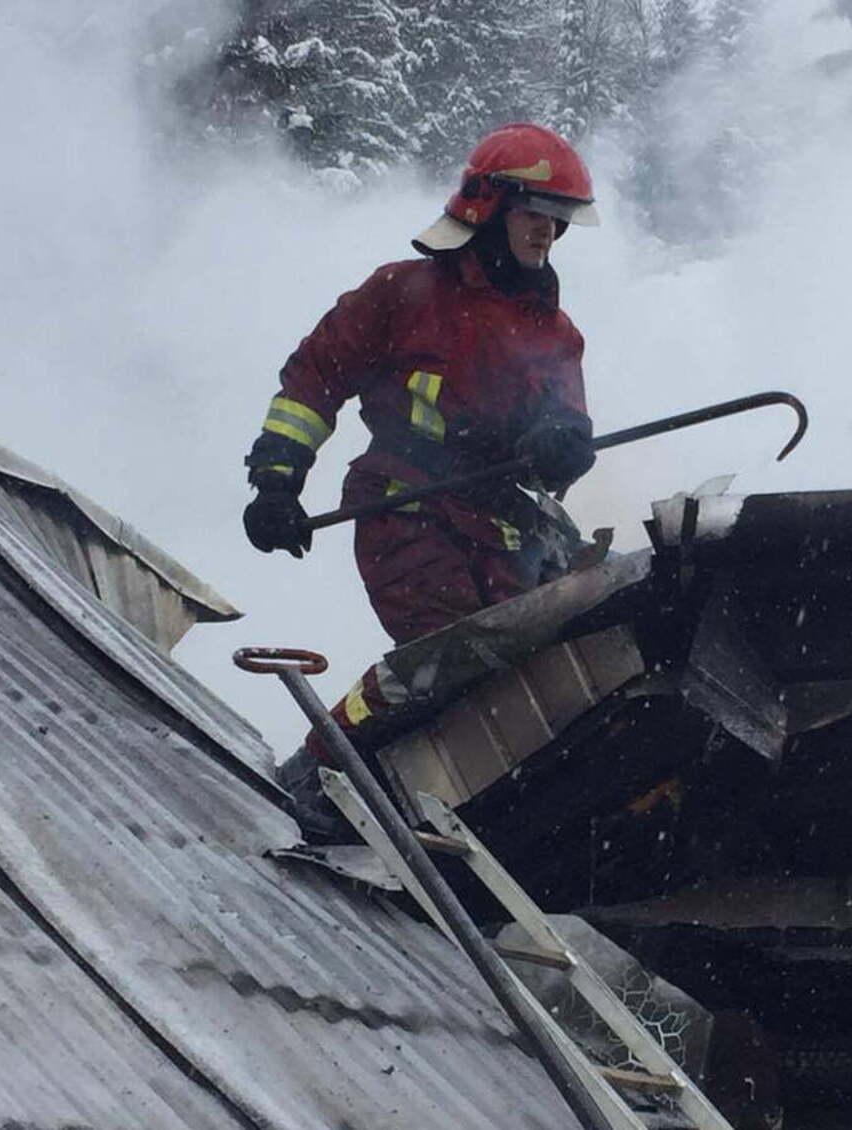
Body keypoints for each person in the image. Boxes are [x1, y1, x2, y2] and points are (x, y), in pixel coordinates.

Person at [240, 123, 600, 826]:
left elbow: (569, 424)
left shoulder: (552, 332)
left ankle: (436, 806)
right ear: (488, 206)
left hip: (498, 520)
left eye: (560, 222)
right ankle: (318, 770)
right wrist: (278, 480)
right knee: (449, 652)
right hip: (402, 502)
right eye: (536, 215)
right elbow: (314, 379)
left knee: (524, 661)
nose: (548, 235)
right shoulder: (403, 294)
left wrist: (565, 446)